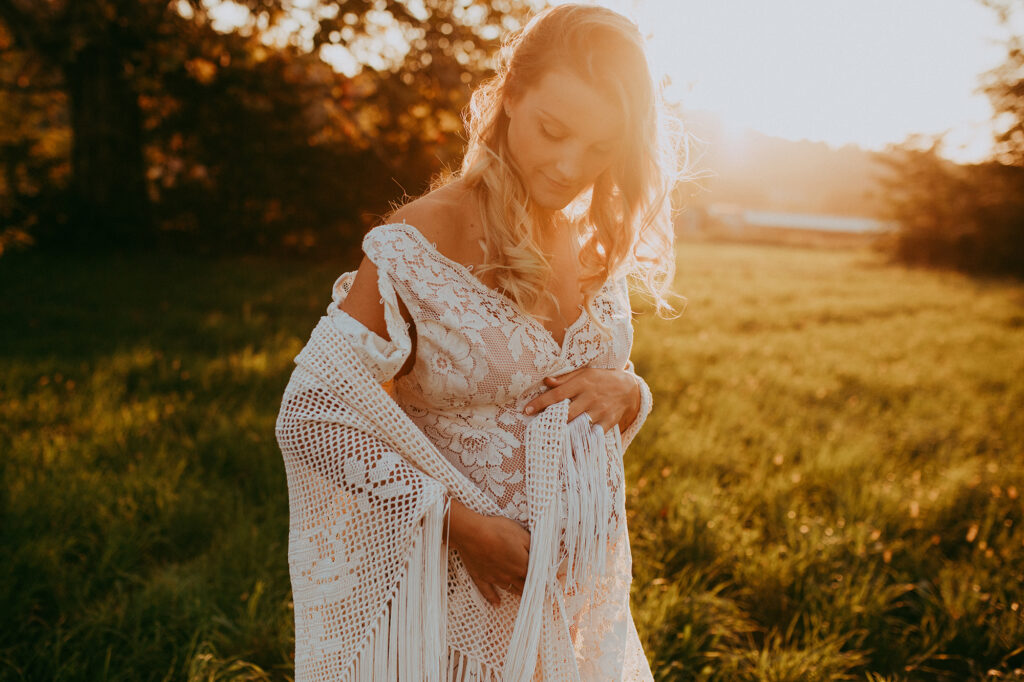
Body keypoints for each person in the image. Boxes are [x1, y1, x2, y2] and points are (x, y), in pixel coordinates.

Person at [275, 3, 684, 680]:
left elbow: (588, 381)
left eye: (601, 148)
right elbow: (313, 414)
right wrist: (456, 524)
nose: (568, 166)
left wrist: (629, 390)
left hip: (571, 604)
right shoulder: (422, 239)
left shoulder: (590, 240)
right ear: (511, 96)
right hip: (453, 598)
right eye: (554, 131)